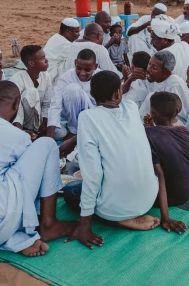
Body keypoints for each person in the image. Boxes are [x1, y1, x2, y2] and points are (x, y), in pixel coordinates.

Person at [0, 82, 77, 257]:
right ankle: (49, 224)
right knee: (47, 145)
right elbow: (35, 169)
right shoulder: (17, 137)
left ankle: (16, 238)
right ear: (17, 104)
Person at [65, 71, 160, 248]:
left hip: (115, 208)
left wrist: (84, 223)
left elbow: (93, 175)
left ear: (92, 94)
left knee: (70, 190)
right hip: (149, 198)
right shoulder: (131, 107)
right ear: (118, 94)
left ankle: (118, 221)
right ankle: (126, 214)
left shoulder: (87, 117)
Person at [145, 92, 189, 231]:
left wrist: (165, 217)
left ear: (152, 114)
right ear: (178, 111)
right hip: (187, 192)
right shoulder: (184, 131)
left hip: (170, 197)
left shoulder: (147, 135)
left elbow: (159, 174)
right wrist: (151, 128)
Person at [47, 48, 100, 139]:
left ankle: (81, 130)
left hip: (93, 113)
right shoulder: (67, 77)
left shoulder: (101, 76)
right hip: (70, 113)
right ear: (75, 63)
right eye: (79, 68)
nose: (82, 73)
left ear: (95, 66)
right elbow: (56, 103)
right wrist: (49, 138)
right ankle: (74, 130)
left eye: (87, 70)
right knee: (73, 89)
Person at [123, 50, 189, 118]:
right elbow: (124, 93)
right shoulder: (150, 78)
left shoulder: (174, 84)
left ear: (165, 73)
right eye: (149, 64)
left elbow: (179, 115)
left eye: (154, 67)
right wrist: (130, 79)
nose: (148, 69)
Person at [9, 44, 53, 138]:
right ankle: (28, 131)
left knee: (60, 133)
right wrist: (19, 130)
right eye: (42, 58)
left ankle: (36, 131)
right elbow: (17, 108)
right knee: (32, 92)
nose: (46, 60)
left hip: (38, 120)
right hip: (23, 122)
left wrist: (45, 123)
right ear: (31, 63)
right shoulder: (17, 79)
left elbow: (47, 103)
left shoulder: (46, 76)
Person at [150, 14, 189, 80]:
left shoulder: (163, 55)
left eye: (153, 38)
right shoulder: (184, 45)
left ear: (165, 40)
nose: (151, 42)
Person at [44, 19, 81, 86]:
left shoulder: (56, 37)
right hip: (51, 75)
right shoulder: (65, 45)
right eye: (76, 32)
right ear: (68, 31)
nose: (79, 34)